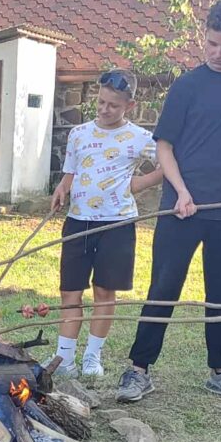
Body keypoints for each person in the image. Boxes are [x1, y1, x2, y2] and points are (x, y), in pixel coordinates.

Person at [116, 0, 221, 403]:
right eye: (212, 44)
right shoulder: (188, 86)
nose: (218, 53)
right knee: (163, 288)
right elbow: (164, 147)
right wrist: (182, 191)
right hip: (181, 208)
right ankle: (138, 370)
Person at [48, 70, 164, 378]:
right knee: (70, 291)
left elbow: (166, 166)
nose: (104, 109)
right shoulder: (79, 133)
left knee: (104, 292)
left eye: (113, 105)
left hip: (117, 225)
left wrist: (136, 184)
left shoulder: (140, 138)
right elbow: (71, 171)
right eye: (100, 102)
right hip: (78, 222)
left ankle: (92, 356)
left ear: (130, 105)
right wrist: (63, 187)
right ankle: (65, 358)